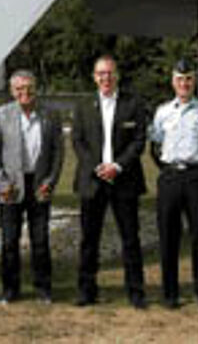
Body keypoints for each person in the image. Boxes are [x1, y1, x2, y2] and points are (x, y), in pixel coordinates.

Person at [72, 54, 150, 309]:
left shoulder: (133, 104)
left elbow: (139, 140)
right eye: (101, 73)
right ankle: (86, 291)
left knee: (130, 239)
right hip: (92, 181)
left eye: (109, 73)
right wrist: (97, 166)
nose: (105, 78)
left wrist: (117, 166)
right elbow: (78, 141)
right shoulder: (83, 106)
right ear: (94, 77)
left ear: (117, 75)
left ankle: (136, 292)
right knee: (89, 239)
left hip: (124, 180)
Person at [149, 58, 198, 309]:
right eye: (180, 79)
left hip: (196, 177)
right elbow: (155, 146)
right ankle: (170, 294)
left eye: (189, 79)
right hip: (170, 177)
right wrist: (167, 170)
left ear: (194, 81)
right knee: (168, 236)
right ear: (173, 82)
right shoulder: (162, 112)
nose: (184, 83)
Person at [0, 69, 64, 304]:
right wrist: (2, 182)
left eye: (29, 88)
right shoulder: (0, 115)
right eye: (19, 88)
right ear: (12, 91)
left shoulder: (50, 115)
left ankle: (43, 289)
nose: (25, 92)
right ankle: (10, 290)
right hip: (11, 187)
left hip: (39, 185)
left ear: (36, 89)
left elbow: (58, 153)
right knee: (9, 242)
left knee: (40, 241)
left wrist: (50, 182)